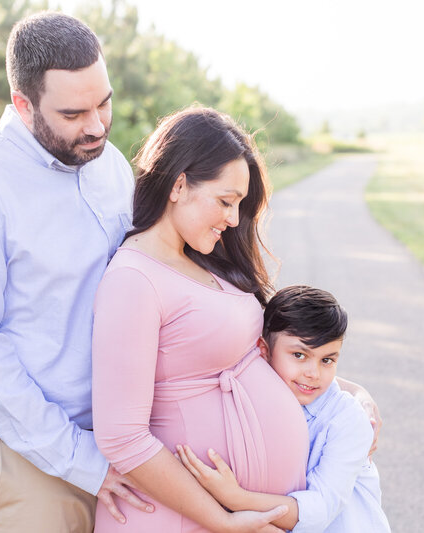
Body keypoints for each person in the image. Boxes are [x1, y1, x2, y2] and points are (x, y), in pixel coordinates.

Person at [0, 12, 152, 532]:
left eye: (104, 102)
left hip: (117, 444)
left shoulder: (110, 164)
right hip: (21, 461)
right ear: (23, 105)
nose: (95, 125)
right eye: (73, 113)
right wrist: (79, 459)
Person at [91, 106, 313, 532]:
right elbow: (122, 438)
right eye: (225, 201)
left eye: (239, 205)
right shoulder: (133, 280)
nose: (233, 219)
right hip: (179, 518)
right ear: (178, 185)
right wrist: (223, 519)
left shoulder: (206, 260)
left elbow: (261, 354)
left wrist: (349, 396)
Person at [177, 285, 392, 532]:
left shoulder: (347, 420)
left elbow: (320, 510)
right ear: (263, 350)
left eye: (327, 360)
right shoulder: (251, 395)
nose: (314, 374)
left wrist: (235, 498)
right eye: (299, 355)